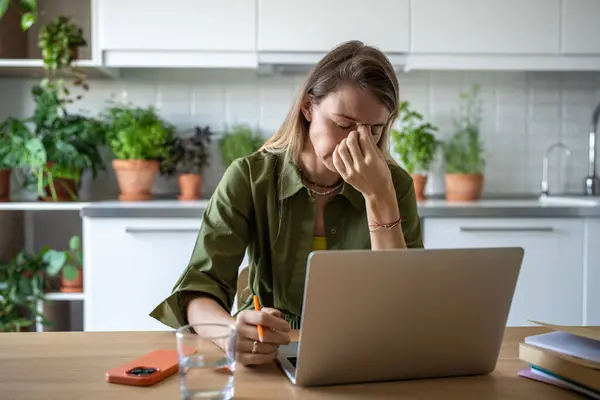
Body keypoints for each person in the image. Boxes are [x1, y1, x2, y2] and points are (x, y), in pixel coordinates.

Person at [150, 40, 424, 366]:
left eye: (374, 130)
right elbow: (197, 290)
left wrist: (379, 198)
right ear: (308, 108)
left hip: (365, 352)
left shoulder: (395, 186)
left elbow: (403, 306)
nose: (358, 143)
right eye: (344, 125)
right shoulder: (250, 177)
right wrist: (230, 333)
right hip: (270, 352)